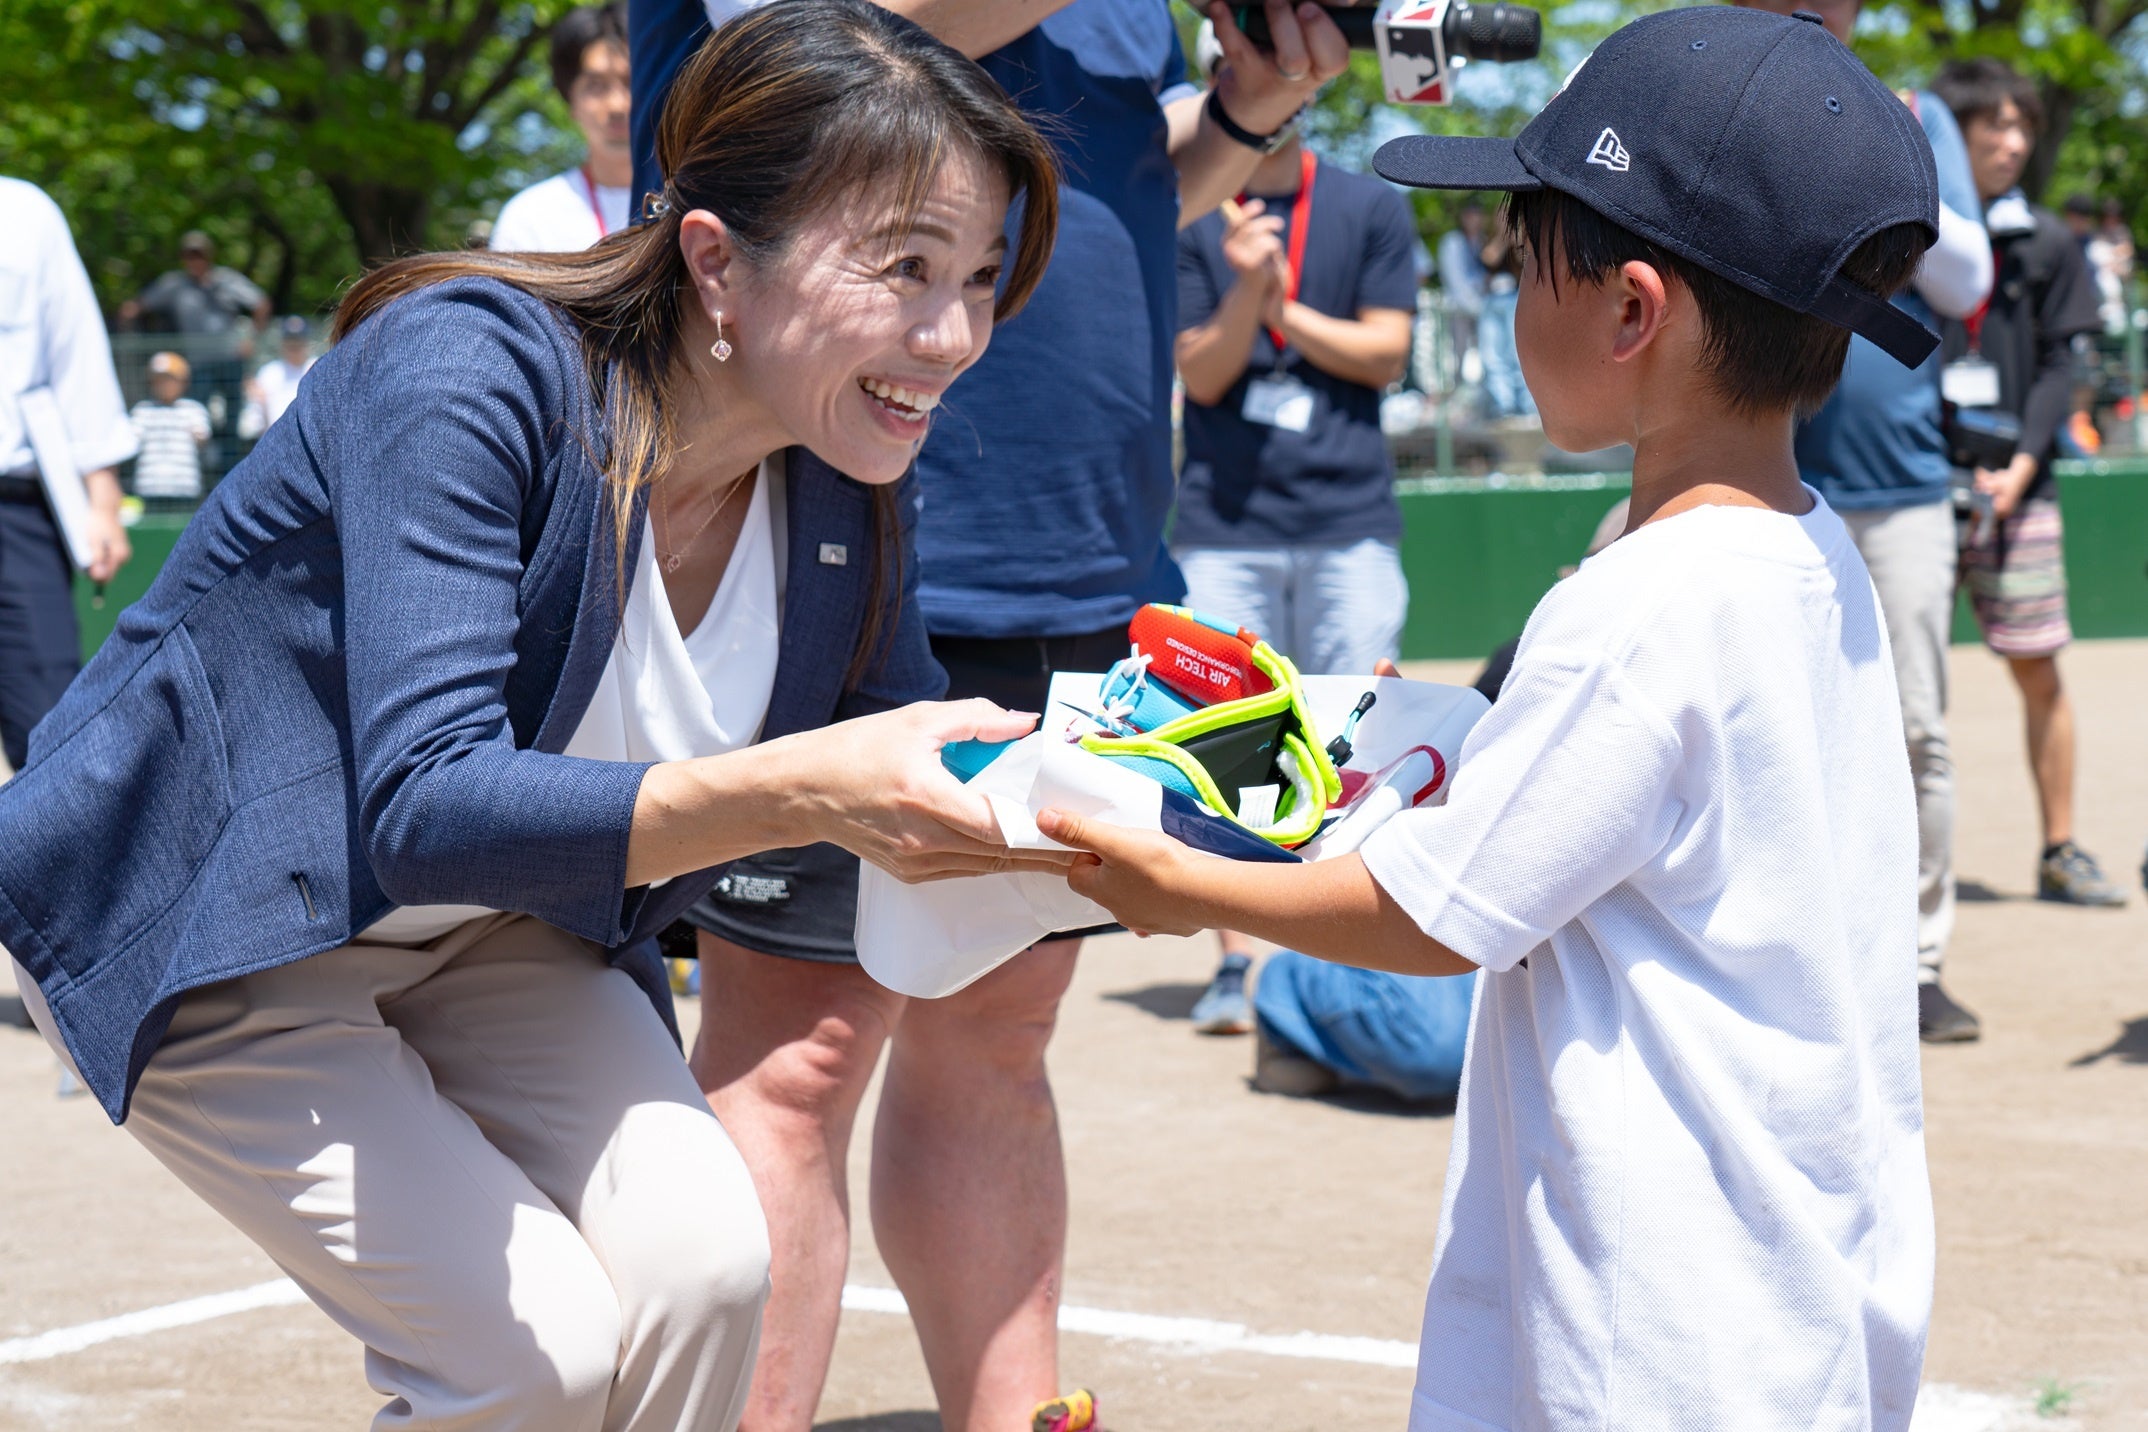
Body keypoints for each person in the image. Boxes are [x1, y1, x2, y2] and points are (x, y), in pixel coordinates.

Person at [0, 7, 1064, 1427]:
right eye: (908, 268)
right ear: (713, 263)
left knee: (708, 1263)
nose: (955, 335)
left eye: (983, 279)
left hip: (506, 934)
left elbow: (919, 755)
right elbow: (428, 806)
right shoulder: (467, 372)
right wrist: (804, 785)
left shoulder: (845, 477)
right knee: (530, 1356)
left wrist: (1179, 810)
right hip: (232, 920)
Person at [1040, 8, 1940, 1425]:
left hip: (1654, 1318)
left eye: (1529, 261)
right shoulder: (1800, 549)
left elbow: (1435, 916)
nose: (1512, 293)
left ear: (1633, 309)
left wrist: (1178, 884)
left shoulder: (1639, 605)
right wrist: (1456, 735)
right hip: (1795, 1285)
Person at [629, 1, 1348, 1426]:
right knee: (799, 1051)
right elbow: (832, 46)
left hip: (1076, 555)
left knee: (1000, 1033)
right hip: (851, 531)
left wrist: (1250, 108)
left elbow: (1105, 185)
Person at [1733, 0, 1996, 1041]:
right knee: (1765, 728)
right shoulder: (1730, 98)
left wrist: (1889, 160)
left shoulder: (1911, 111)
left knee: (1919, 728)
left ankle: (1918, 962)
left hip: (1903, 480)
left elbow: (1970, 279)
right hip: (1758, 473)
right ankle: (1802, 954)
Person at [1170, 73, 1418, 1035]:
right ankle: (1239, 960)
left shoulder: (1366, 204)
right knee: (1222, 741)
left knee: (1348, 739)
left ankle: (1337, 949)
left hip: (1350, 521)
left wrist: (1281, 310)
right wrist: (1243, 290)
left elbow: (1386, 352)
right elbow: (1200, 370)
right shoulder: (1192, 209)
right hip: (1224, 527)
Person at [1933, 57, 2127, 908]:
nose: (2011, 144)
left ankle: (2060, 849)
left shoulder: (2048, 242)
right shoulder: (1914, 236)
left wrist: (2020, 463)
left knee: (2040, 671)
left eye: (2022, 129)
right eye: (1993, 128)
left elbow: (2061, 364)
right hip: (1920, 490)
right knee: (1905, 691)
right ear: (1953, 135)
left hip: (2022, 489)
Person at [0, 177, 135, 774]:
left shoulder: (24, 213)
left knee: (49, 727)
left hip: (16, 507)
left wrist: (101, 498)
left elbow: (74, 349)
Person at [490, 2, 635, 252]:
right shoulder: (529, 219)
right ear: (570, 100)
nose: (617, 105)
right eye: (596, 86)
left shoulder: (699, 205)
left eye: (630, 82)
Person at [119, 230, 271, 438]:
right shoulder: (174, 284)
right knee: (198, 416)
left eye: (199, 254)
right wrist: (126, 315)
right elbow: (138, 306)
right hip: (199, 363)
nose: (195, 260)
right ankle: (205, 466)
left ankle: (231, 466)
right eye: (190, 255)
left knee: (233, 417)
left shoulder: (226, 280)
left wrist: (250, 339)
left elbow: (261, 304)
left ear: (209, 255)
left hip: (231, 359)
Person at [129, 351, 213, 500]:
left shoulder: (194, 409)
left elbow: (203, 439)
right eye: (158, 380)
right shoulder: (141, 410)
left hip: (185, 489)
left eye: (169, 379)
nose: (164, 385)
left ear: (183, 382)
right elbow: (130, 442)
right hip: (149, 488)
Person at [1436, 200, 1489, 369]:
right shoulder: (1452, 242)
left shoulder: (1483, 241)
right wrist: (1478, 306)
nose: (1474, 220)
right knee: (1458, 355)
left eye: (1478, 216)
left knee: (1484, 356)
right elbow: (1455, 280)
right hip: (1459, 308)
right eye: (1470, 216)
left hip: (1482, 307)